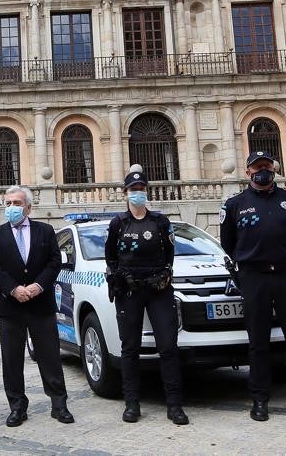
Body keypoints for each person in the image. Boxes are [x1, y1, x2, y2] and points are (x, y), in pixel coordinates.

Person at [220, 151, 286, 423]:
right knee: (258, 342)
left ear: (274, 169)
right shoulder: (234, 205)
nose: (262, 171)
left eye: (267, 166)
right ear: (248, 172)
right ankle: (259, 399)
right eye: (257, 167)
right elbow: (228, 243)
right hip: (254, 277)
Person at [0, 185, 72, 428]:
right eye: (8, 203)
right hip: (9, 307)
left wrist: (38, 286)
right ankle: (17, 407)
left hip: (40, 304)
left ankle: (59, 404)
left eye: (17, 203)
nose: (12, 207)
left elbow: (55, 262)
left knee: (50, 356)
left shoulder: (45, 231)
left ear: (29, 207)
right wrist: (13, 288)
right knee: (11, 359)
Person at [105, 171, 189, 426]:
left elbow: (170, 253)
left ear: (147, 191)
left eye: (141, 187)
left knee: (168, 347)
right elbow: (110, 258)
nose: (137, 192)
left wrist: (163, 277)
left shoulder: (160, 221)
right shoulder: (118, 223)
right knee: (130, 348)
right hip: (129, 292)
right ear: (126, 193)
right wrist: (119, 279)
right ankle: (132, 403)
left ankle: (174, 406)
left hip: (159, 291)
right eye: (133, 188)